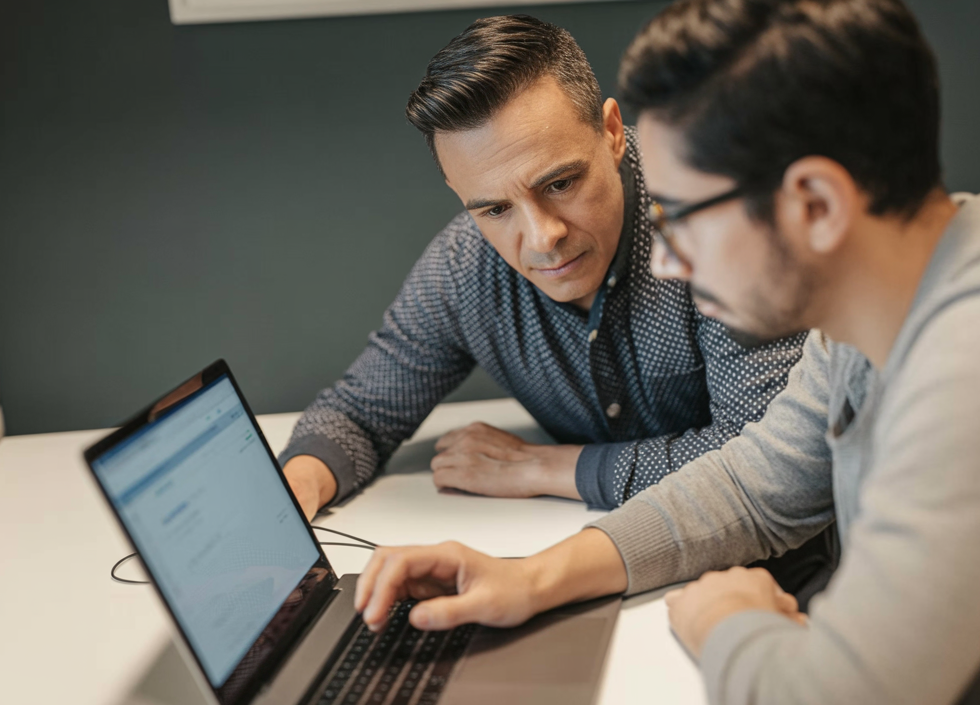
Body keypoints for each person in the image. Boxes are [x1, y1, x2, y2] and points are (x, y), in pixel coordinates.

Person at [350, 1, 980, 705]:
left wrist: (728, 616)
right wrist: (534, 577)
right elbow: (755, 485)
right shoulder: (879, 302)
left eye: (682, 216)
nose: (667, 260)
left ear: (815, 204)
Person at [278, 16, 807, 522]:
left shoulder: (716, 222)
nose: (541, 237)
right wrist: (294, 493)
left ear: (612, 132)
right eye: (494, 209)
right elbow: (358, 413)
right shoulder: (463, 266)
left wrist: (547, 468)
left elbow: (770, 460)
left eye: (560, 184)